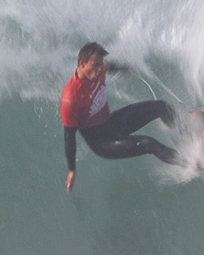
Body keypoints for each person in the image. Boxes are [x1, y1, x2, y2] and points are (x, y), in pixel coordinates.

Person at [60, 42, 183, 193]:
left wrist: (124, 69)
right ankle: (192, 161)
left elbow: (108, 66)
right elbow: (69, 136)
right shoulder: (71, 97)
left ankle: (189, 132)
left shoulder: (99, 69)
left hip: (113, 122)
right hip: (103, 142)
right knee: (149, 144)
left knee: (161, 107)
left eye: (101, 64)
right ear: (82, 63)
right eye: (96, 65)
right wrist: (71, 169)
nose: (100, 69)